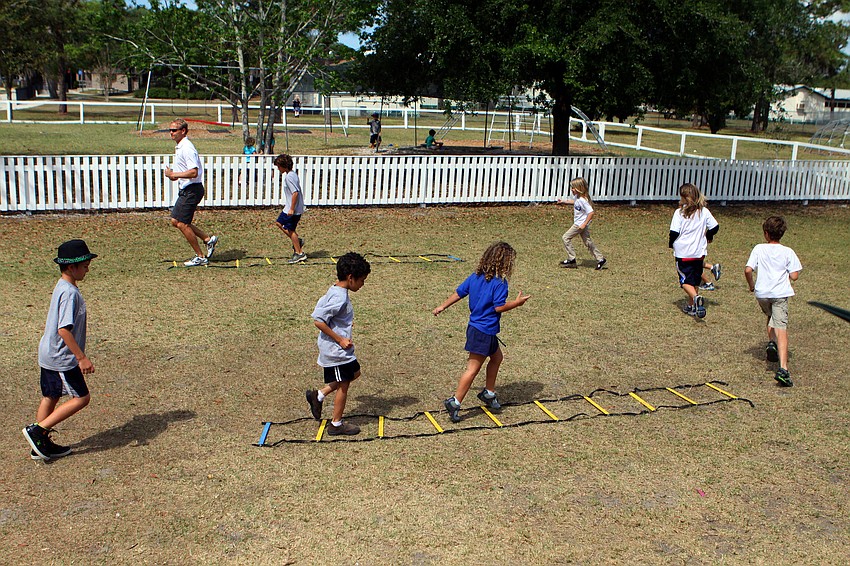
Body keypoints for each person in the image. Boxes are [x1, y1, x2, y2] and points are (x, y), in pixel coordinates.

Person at [433, 242, 530, 423]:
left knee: (497, 358)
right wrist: (516, 303)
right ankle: (455, 402)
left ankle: (489, 393)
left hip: (483, 331)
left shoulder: (475, 277)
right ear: (505, 263)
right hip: (483, 332)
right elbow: (499, 307)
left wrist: (442, 306)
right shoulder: (500, 284)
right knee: (472, 369)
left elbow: (459, 292)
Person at [22, 239, 98, 461]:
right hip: (61, 356)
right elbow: (64, 330)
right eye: (84, 264)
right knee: (82, 398)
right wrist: (81, 357)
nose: (87, 268)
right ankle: (37, 432)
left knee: (51, 395)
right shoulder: (70, 293)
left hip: (48, 352)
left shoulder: (63, 286)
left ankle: (39, 446)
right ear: (71, 267)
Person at [305, 252, 372, 435]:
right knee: (344, 384)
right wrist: (340, 338)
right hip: (336, 350)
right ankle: (336, 424)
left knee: (354, 373)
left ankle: (318, 395)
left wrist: (344, 324)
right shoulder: (339, 297)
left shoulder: (335, 289)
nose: (363, 284)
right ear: (351, 278)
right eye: (362, 280)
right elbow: (318, 320)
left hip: (342, 349)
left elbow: (332, 316)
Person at [744, 216, 802, 387]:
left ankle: (771, 343)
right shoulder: (787, 251)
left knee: (770, 315)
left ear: (766, 234)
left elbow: (748, 269)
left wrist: (751, 285)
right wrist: (789, 274)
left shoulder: (759, 248)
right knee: (781, 328)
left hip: (762, 293)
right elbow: (795, 275)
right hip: (779, 293)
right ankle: (783, 369)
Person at [164, 118, 218, 267]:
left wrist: (174, 175)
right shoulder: (180, 147)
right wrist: (175, 176)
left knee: (182, 223)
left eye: (174, 130)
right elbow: (187, 171)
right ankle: (208, 239)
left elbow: (194, 172)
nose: (171, 133)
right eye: (170, 130)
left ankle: (200, 256)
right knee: (176, 221)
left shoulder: (187, 147)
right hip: (187, 189)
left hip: (192, 190)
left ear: (183, 131)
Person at [669, 183, 718, 318]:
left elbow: (674, 232)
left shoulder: (679, 213)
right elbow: (715, 226)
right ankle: (692, 307)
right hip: (699, 253)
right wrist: (709, 235)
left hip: (683, 253)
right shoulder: (704, 211)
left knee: (685, 281)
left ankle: (696, 298)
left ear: (684, 197)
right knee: (695, 280)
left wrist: (671, 243)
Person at [555, 177, 607, 270]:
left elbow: (591, 213)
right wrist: (563, 201)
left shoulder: (583, 200)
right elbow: (575, 202)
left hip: (579, 225)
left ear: (579, 188)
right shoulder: (577, 197)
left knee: (565, 237)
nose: (571, 190)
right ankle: (600, 259)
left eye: (573, 188)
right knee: (587, 242)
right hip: (580, 224)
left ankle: (572, 259)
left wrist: (584, 224)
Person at [272, 153, 307, 263]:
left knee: (290, 230)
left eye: (279, 166)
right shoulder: (291, 174)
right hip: (288, 207)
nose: (278, 169)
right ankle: (297, 240)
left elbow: (295, 193)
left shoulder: (289, 177)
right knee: (279, 223)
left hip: (294, 209)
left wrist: (292, 208)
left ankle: (299, 253)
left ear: (284, 166)